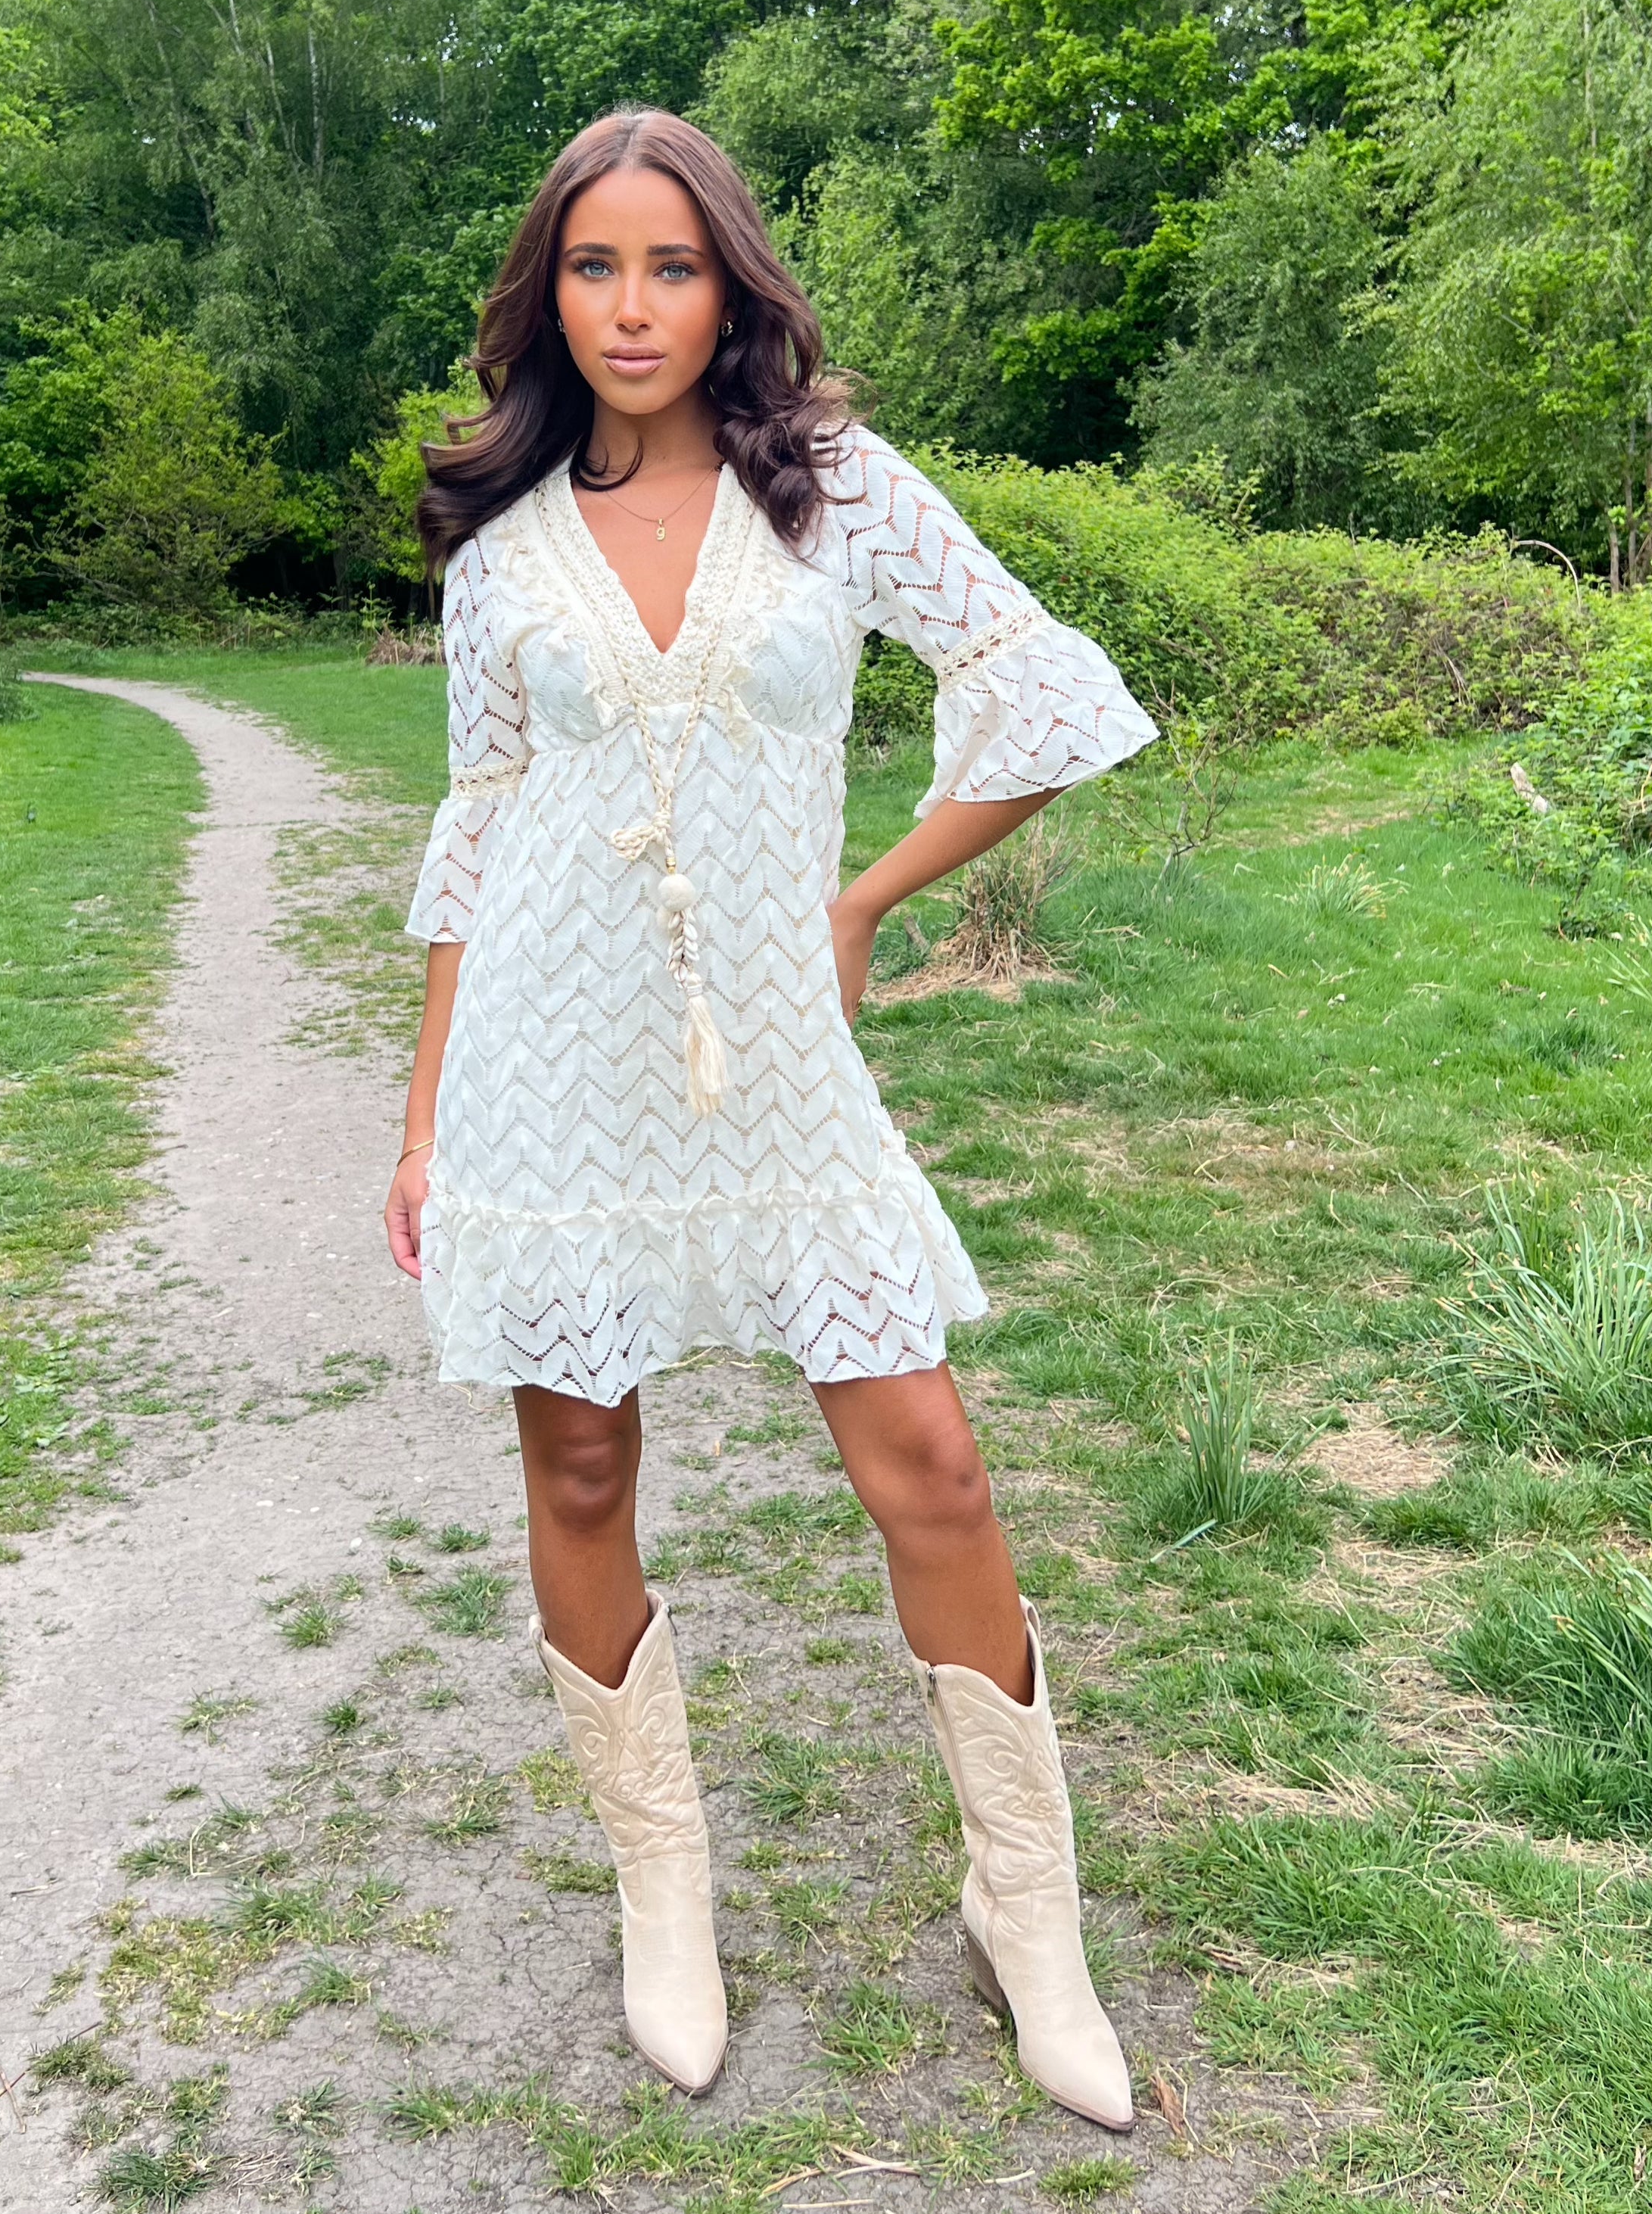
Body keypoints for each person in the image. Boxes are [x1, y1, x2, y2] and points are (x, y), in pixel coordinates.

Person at [384, 107, 1156, 2122]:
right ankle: (665, 1894)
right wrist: (425, 1110)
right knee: (576, 1467)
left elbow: (1038, 682)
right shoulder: (506, 536)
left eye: (670, 264)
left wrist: (870, 895)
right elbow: (476, 829)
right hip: (548, 1073)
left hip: (781, 1079)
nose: (631, 305)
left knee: (934, 1465)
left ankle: (1028, 1916)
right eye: (592, 266)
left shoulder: (831, 493)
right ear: (548, 292)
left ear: (728, 281)